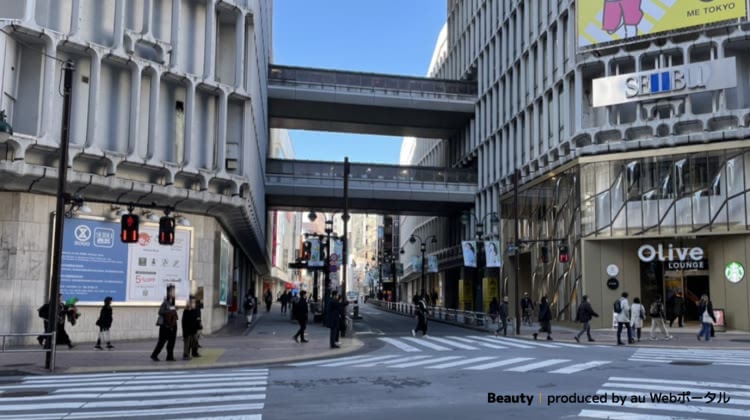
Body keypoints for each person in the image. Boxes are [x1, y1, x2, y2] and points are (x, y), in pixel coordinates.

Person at [151, 285, 178, 362]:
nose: (174, 293)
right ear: (169, 293)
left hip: (172, 324)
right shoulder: (165, 302)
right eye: (172, 292)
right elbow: (160, 312)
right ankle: (154, 355)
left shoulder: (172, 302)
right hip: (165, 325)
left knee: (171, 342)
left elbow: (172, 312)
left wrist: (174, 310)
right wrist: (170, 310)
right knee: (162, 341)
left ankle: (170, 356)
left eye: (174, 291)